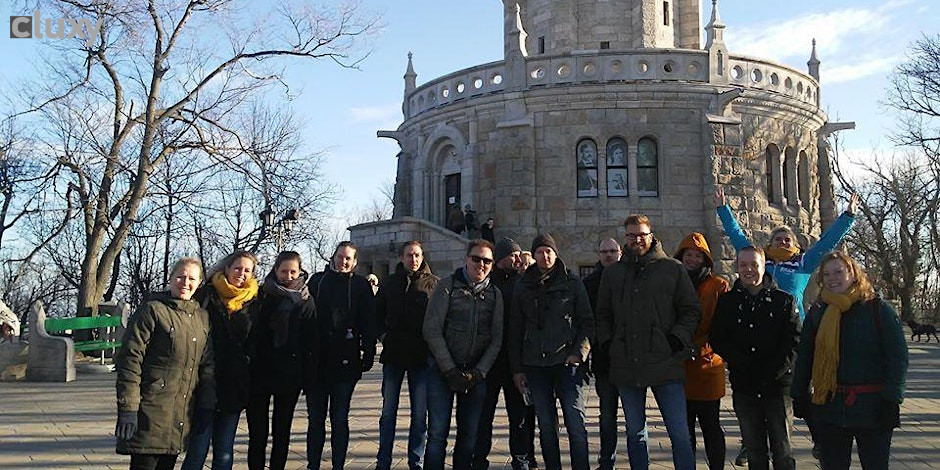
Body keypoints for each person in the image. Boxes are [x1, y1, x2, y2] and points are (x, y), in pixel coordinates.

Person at [714, 187, 858, 463]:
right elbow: (738, 238)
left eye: (786, 239)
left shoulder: (803, 264)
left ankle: (818, 438)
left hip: (792, 337)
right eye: (777, 239)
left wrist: (847, 217)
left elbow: (827, 243)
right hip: (760, 337)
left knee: (799, 392)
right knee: (753, 399)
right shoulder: (761, 264)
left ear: (793, 244)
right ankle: (749, 442)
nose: (781, 242)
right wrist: (724, 210)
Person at [594, 214, 700, 470]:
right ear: (625, 238)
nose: (637, 239)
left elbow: (690, 310)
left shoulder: (672, 268)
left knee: (679, 433)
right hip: (627, 364)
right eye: (631, 235)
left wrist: (677, 339)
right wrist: (609, 344)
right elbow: (603, 315)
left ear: (651, 235)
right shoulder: (613, 274)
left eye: (641, 234)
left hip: (666, 362)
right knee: (635, 432)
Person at [791, 251, 908, 470]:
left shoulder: (878, 310)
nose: (832, 278)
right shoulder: (818, 312)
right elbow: (805, 355)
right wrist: (799, 393)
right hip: (830, 407)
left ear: (853, 274)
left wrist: (892, 399)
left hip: (873, 407)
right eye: (826, 274)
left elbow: (898, 358)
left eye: (838, 272)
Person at [115, 257, 215, 470]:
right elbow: (130, 360)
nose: (185, 283)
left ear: (199, 283)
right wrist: (128, 408)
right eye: (180, 277)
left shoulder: (201, 317)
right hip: (150, 409)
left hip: (180, 414)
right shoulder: (153, 310)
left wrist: (206, 405)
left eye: (191, 278)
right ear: (170, 278)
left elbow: (207, 365)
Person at [711, 246, 801, 470]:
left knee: (782, 449)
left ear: (764, 267)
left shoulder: (784, 301)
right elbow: (718, 338)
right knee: (754, 450)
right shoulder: (727, 302)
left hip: (777, 386)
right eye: (743, 265)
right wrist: (741, 364)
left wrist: (773, 371)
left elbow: (794, 341)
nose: (748, 269)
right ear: (737, 267)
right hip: (745, 386)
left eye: (754, 264)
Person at [509, 234, 594, 470]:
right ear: (533, 255)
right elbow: (515, 329)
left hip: (568, 363)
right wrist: (517, 370)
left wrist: (579, 352)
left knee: (575, 422)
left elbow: (587, 322)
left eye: (549, 251)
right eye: (539, 252)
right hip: (535, 365)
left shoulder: (572, 282)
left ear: (556, 254)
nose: (544, 256)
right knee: (546, 426)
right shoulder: (523, 284)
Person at [423, 239, 503, 470]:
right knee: (437, 433)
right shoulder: (447, 286)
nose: (481, 264)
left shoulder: (495, 295)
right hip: (442, 372)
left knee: (469, 435)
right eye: (476, 258)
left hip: (475, 374)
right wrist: (449, 369)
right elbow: (431, 329)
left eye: (487, 260)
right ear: (466, 259)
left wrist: (479, 372)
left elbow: (496, 338)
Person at [182, 251, 260, 470]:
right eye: (237, 268)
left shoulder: (254, 301)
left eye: (247, 270)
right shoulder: (205, 295)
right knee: (197, 450)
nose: (241, 274)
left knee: (224, 451)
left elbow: (256, 342)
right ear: (226, 268)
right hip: (204, 381)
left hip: (234, 384)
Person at [306, 241, 377, 470]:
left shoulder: (359, 285)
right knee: (315, 420)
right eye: (340, 257)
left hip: (345, 361)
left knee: (339, 419)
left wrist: (368, 351)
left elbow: (368, 320)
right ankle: (313, 464)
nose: (343, 262)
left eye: (348, 258)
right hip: (317, 360)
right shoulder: (318, 281)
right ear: (333, 257)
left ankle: (338, 465)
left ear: (354, 262)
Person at [246, 251, 316, 470]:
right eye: (283, 271)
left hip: (290, 372)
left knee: (281, 430)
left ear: (300, 271)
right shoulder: (261, 294)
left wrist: (307, 375)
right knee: (258, 431)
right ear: (275, 270)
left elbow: (311, 341)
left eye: (292, 271)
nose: (288, 275)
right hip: (260, 371)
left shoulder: (305, 299)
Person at [473, 237, 537, 470]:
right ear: (500, 259)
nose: (518, 258)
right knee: (484, 415)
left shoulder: (523, 282)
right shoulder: (487, 285)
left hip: (516, 362)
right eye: (513, 255)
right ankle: (479, 459)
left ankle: (522, 458)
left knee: (520, 415)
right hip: (490, 361)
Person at [375, 241, 439, 470]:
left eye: (417, 255)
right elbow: (377, 313)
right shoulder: (390, 283)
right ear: (402, 257)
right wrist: (383, 335)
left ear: (423, 257)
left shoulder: (434, 284)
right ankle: (383, 461)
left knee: (419, 414)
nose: (414, 259)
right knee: (388, 412)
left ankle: (416, 460)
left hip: (421, 357)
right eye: (409, 255)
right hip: (393, 355)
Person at [674, 233, 729, 470]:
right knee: (684, 430)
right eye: (689, 255)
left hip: (708, 366)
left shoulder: (718, 286)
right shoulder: (674, 284)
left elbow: (722, 324)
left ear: (705, 259)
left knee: (711, 426)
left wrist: (701, 347)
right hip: (680, 366)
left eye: (698, 255)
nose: (693, 259)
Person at [581, 237, 622, 470]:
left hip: (629, 360)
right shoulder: (590, 283)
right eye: (604, 251)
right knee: (607, 415)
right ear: (598, 254)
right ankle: (607, 461)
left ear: (620, 253)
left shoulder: (630, 278)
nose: (608, 255)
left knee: (636, 417)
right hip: (604, 361)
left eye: (612, 251)